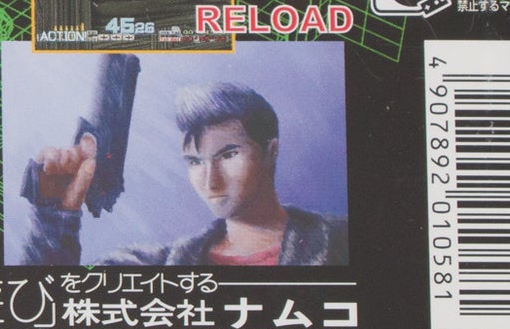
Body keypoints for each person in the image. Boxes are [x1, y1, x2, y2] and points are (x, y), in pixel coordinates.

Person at [22, 80, 348, 266]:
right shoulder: (158, 265)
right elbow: (41, 313)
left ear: (271, 151)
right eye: (194, 162)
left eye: (228, 155)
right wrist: (55, 216)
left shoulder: (340, 239)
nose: (210, 180)